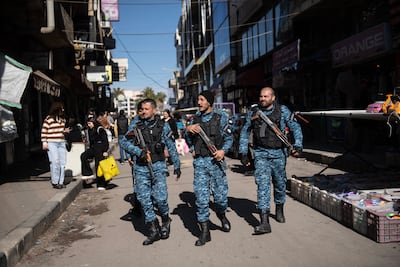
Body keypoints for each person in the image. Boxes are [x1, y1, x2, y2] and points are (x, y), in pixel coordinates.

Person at [239, 86, 303, 235]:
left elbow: (295, 127)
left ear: (273, 98)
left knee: (280, 184)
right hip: (261, 153)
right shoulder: (253, 112)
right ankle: (264, 221)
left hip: (279, 154)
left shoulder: (282, 110)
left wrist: (298, 145)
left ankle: (279, 208)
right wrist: (243, 152)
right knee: (263, 185)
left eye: (266, 96)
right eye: (261, 96)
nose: (262, 99)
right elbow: (245, 131)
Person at [119, 98, 181, 246]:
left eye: (146, 109)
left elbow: (171, 146)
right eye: (141, 109)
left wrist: (177, 165)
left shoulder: (163, 126)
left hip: (158, 165)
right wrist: (137, 152)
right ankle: (154, 229)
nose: (143, 112)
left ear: (154, 110)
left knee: (160, 199)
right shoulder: (136, 125)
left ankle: (165, 220)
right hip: (141, 168)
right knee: (144, 200)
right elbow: (123, 141)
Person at [185, 90, 233, 246]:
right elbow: (188, 140)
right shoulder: (193, 119)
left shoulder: (221, 117)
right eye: (198, 99)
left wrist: (223, 151)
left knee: (220, 197)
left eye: (202, 100)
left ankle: (221, 214)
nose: (199, 102)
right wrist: (188, 131)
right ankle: (205, 231)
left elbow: (229, 138)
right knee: (201, 198)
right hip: (200, 163)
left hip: (216, 163)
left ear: (209, 102)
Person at [41, 101, 70, 189]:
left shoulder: (62, 119)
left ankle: (60, 182)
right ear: (57, 108)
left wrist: (65, 131)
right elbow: (44, 130)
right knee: (55, 161)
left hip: (61, 142)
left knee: (62, 162)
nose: (63, 109)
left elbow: (60, 130)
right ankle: (55, 181)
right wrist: (44, 142)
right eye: (62, 107)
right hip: (52, 142)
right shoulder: (49, 119)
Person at [80, 114, 110, 190]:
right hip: (93, 148)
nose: (88, 125)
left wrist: (105, 151)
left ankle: (101, 184)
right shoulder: (90, 130)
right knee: (83, 156)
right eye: (88, 123)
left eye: (90, 123)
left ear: (93, 122)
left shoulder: (100, 129)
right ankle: (88, 173)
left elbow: (105, 141)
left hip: (100, 149)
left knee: (99, 166)